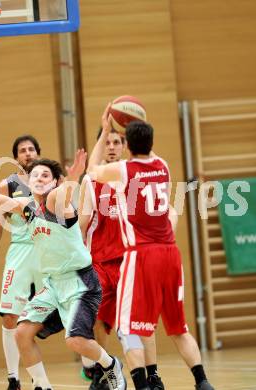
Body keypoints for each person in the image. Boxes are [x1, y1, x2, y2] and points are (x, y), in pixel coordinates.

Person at [0, 150, 127, 390]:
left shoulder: (56, 201)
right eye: (35, 175)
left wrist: (73, 175)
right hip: (53, 285)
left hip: (80, 284)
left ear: (54, 181)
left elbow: (65, 193)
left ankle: (110, 364)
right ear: (28, 181)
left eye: (46, 175)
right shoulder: (27, 207)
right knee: (21, 333)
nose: (40, 178)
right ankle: (43, 386)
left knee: (75, 341)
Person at [86, 104, 215, 390]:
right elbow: (147, 150)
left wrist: (107, 127)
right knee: (178, 328)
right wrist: (138, 123)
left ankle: (143, 384)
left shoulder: (123, 170)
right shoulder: (163, 166)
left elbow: (92, 170)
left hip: (141, 255)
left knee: (127, 327)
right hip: (171, 253)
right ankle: (202, 382)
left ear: (127, 145)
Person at [79, 129, 165, 390]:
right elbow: (82, 225)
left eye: (118, 142)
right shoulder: (91, 182)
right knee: (99, 322)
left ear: (126, 146)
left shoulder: (134, 175)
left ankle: (153, 376)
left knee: (142, 322)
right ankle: (101, 373)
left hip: (132, 261)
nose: (112, 147)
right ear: (100, 146)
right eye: (107, 142)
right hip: (101, 264)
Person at [0, 135, 54, 390]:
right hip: (20, 253)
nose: (28, 153)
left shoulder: (50, 183)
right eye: (22, 150)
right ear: (16, 157)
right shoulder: (7, 185)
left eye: (32, 149)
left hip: (46, 253)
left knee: (60, 314)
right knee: (10, 317)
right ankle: (13, 378)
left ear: (39, 153)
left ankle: (92, 368)